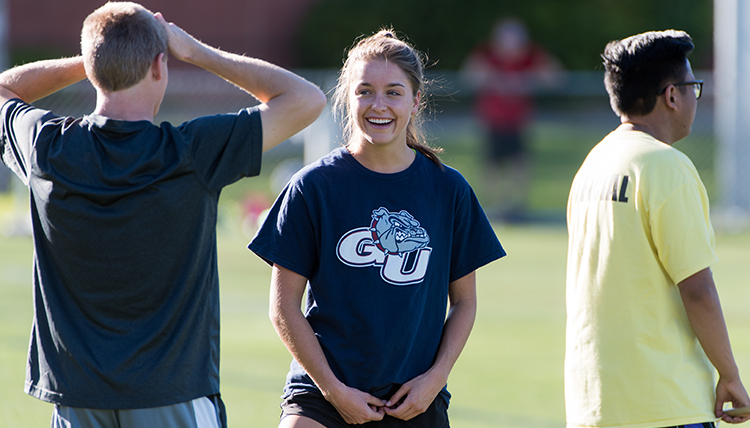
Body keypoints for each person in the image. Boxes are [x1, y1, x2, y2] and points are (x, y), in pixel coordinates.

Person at [0, 2, 326, 427]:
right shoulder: (192, 153)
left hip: (76, 396)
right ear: (159, 65)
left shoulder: (48, 148)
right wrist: (197, 52)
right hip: (173, 392)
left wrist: (97, 60)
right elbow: (306, 99)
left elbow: (4, 89)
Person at [248, 29, 506, 427]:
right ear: (347, 99)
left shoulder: (447, 189)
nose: (378, 104)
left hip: (414, 398)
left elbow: (465, 303)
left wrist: (435, 380)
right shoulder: (313, 187)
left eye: (394, 92)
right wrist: (334, 391)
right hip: (323, 393)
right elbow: (283, 307)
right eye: (365, 91)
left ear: (416, 101)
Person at [565, 29, 750, 428]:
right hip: (664, 402)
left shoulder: (592, 165)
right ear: (671, 95)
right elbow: (697, 289)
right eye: (692, 88)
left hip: (594, 404)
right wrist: (730, 375)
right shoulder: (667, 166)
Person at [461, 17, 560, 222]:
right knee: (491, 165)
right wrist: (497, 80)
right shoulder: (486, 54)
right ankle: (493, 208)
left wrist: (525, 80)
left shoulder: (530, 56)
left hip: (518, 122)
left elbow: (555, 78)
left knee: (520, 164)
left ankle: (517, 209)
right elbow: (468, 77)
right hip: (492, 121)